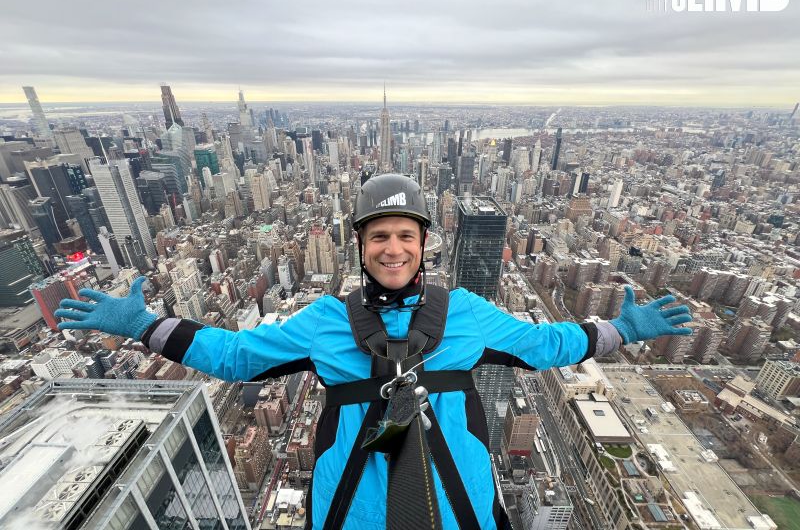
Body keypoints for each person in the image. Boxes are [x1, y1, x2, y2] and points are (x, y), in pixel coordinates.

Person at [57, 173, 692, 530]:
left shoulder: (465, 313)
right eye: (380, 236)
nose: (393, 248)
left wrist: (620, 330)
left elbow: (545, 346)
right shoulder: (326, 322)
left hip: (460, 511)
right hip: (353, 512)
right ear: (361, 246)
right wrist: (144, 325)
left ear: (424, 243)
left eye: (406, 235)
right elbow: (236, 356)